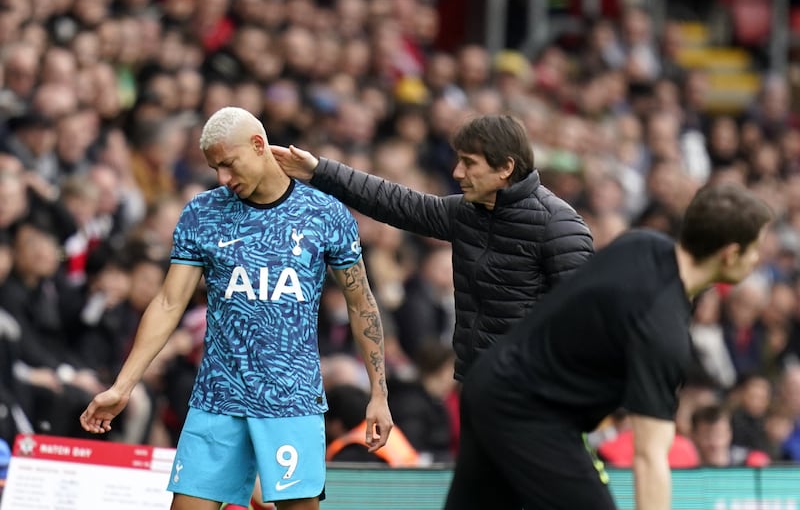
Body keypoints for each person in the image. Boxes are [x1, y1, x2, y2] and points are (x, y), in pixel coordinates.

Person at [79, 107, 393, 510]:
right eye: (214, 169)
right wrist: (123, 386)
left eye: (228, 164)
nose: (223, 179)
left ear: (258, 145)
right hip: (217, 398)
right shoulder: (202, 213)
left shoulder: (325, 214)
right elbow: (169, 302)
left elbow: (361, 304)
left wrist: (379, 395)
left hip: (290, 401)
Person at [442, 183, 773, 510]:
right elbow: (649, 458)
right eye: (754, 249)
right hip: (530, 414)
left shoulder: (639, 243)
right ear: (730, 255)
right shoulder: (662, 331)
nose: (757, 258)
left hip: (486, 383)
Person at [271, 114, 594, 381]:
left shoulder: (559, 226)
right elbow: (393, 202)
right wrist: (318, 171)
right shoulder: (468, 213)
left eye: (469, 163)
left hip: (533, 390)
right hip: (479, 383)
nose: (457, 173)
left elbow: (586, 320)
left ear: (506, 168)